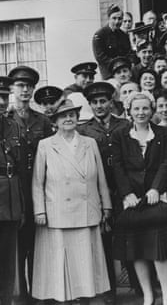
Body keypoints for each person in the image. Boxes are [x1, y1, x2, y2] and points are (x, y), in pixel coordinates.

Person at [32, 99, 112, 303]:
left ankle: (87, 296)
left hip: (87, 209)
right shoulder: (46, 145)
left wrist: (106, 205)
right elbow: (37, 182)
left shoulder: (89, 143)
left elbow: (100, 177)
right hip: (58, 211)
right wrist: (39, 210)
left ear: (77, 118)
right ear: (55, 121)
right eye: (63, 116)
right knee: (62, 260)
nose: (68, 119)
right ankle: (63, 298)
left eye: (72, 115)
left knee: (85, 259)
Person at [112, 92, 167, 305]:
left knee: (160, 251)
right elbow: (117, 166)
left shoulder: (164, 134)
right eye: (136, 109)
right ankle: (148, 295)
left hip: (155, 199)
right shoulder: (120, 135)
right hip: (132, 201)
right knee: (137, 251)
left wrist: (156, 189)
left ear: (152, 110)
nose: (141, 113)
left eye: (145, 108)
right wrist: (127, 193)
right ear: (129, 111)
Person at [77, 82, 131, 303]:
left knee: (131, 237)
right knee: (104, 241)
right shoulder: (84, 130)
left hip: (125, 190)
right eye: (95, 102)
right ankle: (109, 290)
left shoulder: (125, 125)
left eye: (103, 101)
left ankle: (139, 285)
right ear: (90, 105)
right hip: (99, 192)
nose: (99, 106)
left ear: (111, 102)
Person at [7, 66, 53, 302]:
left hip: (38, 186)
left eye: (29, 86)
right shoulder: (5, 121)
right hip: (14, 189)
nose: (25, 90)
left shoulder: (42, 121)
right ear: (13, 89)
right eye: (20, 86)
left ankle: (39, 293)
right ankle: (20, 295)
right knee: (17, 247)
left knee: (39, 245)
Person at [0, 76, 23, 305]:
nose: (0, 101)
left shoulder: (13, 126)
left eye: (5, 96)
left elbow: (19, 167)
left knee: (8, 260)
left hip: (11, 200)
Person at [92, 4, 132, 79]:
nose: (117, 22)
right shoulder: (100, 35)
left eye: (119, 19)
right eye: (114, 18)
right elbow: (100, 57)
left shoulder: (124, 35)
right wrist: (117, 64)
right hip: (108, 74)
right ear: (108, 18)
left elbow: (128, 53)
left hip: (123, 72)